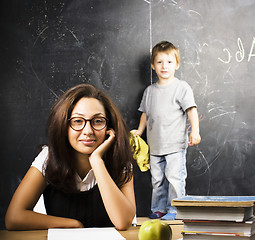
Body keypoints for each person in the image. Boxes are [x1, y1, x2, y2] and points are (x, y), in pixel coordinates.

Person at [5, 83, 136, 230]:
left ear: (109, 127)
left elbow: (123, 222)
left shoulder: (120, 161)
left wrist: (97, 161)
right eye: (78, 121)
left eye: (98, 121)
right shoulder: (49, 157)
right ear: (63, 126)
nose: (88, 131)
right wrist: (72, 224)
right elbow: (14, 218)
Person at [133, 41, 201, 220]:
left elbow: (191, 110)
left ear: (177, 64)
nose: (164, 66)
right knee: (157, 180)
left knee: (175, 179)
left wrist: (195, 131)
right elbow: (145, 114)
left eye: (169, 62)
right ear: (153, 66)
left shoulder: (181, 88)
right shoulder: (149, 91)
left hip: (175, 145)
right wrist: (140, 131)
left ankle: (175, 210)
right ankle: (158, 208)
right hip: (155, 146)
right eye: (160, 62)